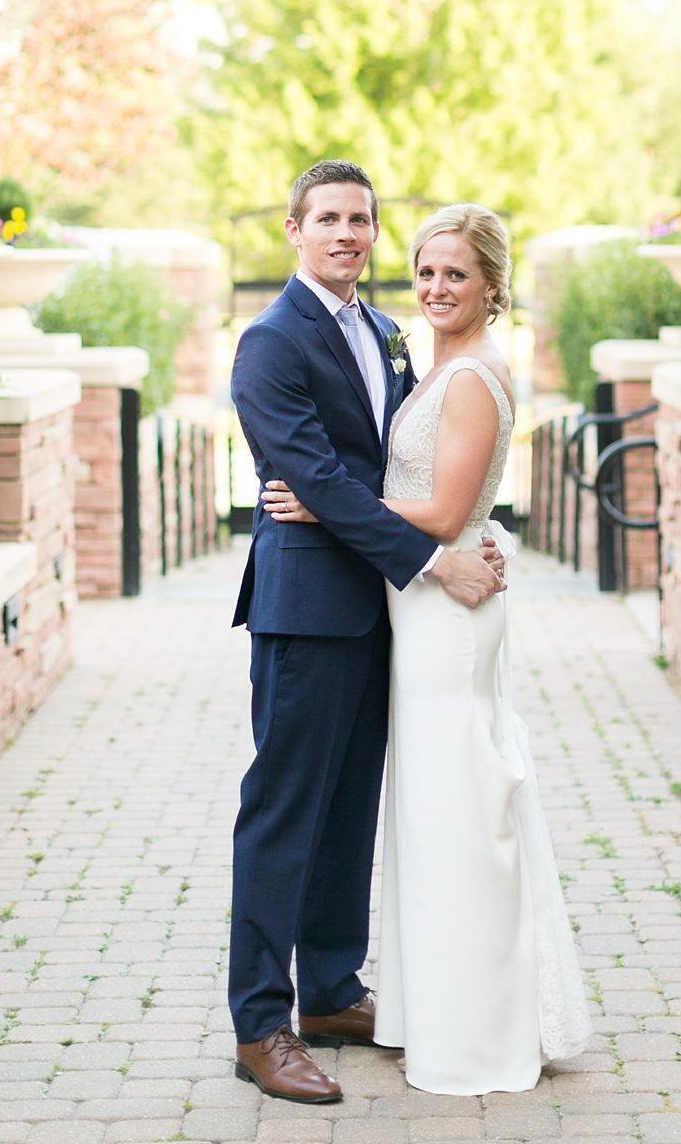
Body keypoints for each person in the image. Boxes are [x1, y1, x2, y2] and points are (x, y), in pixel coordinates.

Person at [262, 203, 592, 1094]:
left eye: (457, 273)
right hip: (417, 608)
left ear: (493, 283)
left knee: (459, 819)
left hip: (447, 614)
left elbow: (447, 514)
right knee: (434, 817)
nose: (437, 287)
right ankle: (425, 1008)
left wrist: (322, 501)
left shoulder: (476, 376)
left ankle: (472, 1030)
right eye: (427, 271)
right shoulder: (420, 356)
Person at [227, 160, 505, 1104]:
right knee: (285, 810)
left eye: (362, 219)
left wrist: (458, 532)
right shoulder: (270, 343)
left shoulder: (389, 333)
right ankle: (261, 1022)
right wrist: (437, 559)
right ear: (294, 228)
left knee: (350, 807)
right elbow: (315, 474)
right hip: (306, 612)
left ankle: (333, 989)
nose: (347, 233)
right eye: (329, 218)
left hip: (382, 613)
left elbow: (393, 472)